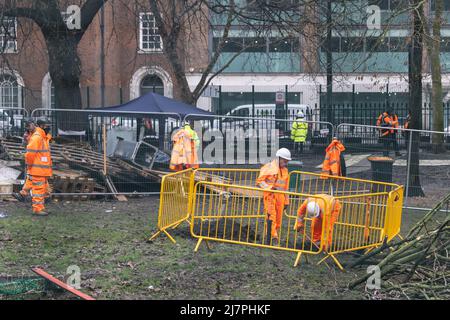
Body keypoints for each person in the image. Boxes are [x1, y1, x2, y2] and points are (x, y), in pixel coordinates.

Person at [256, 148, 291, 245]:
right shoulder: (268, 167)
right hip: (270, 197)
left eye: (287, 161)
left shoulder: (285, 171)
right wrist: (269, 188)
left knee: (278, 219)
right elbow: (259, 182)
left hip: (280, 198)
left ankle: (272, 234)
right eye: (285, 161)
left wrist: (286, 201)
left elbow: (285, 187)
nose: (286, 163)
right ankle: (273, 237)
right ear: (279, 158)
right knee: (271, 217)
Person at [23, 119, 53, 216]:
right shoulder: (38, 137)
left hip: (40, 169)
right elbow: (30, 154)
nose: (48, 127)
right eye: (46, 125)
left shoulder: (41, 136)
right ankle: (37, 209)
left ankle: (39, 207)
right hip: (38, 169)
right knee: (38, 190)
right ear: (41, 126)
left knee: (40, 190)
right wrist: (30, 165)